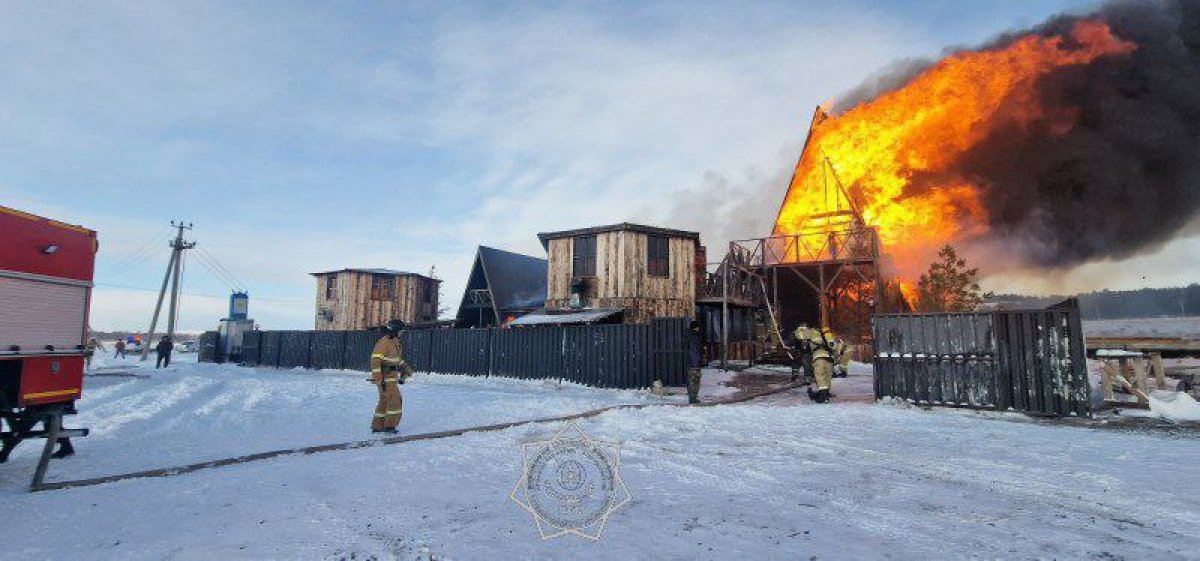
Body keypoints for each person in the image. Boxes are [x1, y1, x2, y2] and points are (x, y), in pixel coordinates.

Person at [370, 319, 411, 433]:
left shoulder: (394, 342)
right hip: (385, 378)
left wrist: (405, 368)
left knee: (384, 401)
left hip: (391, 378)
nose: (402, 333)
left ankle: (378, 426)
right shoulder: (385, 342)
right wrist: (378, 378)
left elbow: (395, 360)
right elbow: (375, 360)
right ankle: (389, 426)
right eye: (401, 331)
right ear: (395, 331)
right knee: (395, 401)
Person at [804, 326, 840, 404]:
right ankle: (826, 393)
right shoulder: (828, 337)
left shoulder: (812, 334)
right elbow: (836, 349)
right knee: (827, 378)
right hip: (829, 359)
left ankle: (823, 397)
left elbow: (805, 347)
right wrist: (836, 360)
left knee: (820, 376)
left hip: (818, 358)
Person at [686, 320, 706, 404]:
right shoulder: (694, 337)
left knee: (690, 379)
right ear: (696, 327)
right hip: (694, 361)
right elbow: (695, 350)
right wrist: (698, 362)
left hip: (689, 361)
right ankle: (693, 398)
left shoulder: (688, 335)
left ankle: (692, 397)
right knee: (695, 380)